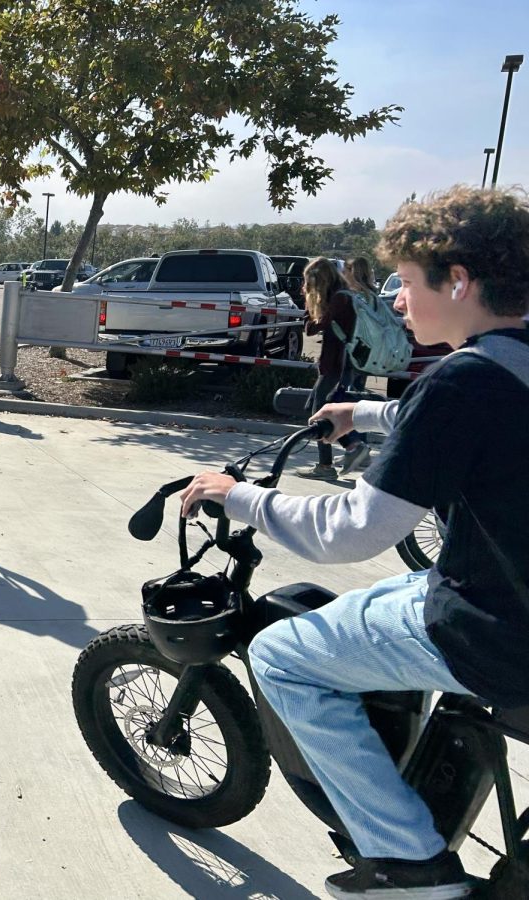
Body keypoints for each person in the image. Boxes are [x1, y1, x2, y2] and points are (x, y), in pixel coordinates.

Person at [179, 185, 529, 899]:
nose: (398, 300)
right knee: (382, 601)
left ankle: (407, 863)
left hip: (499, 631)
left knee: (281, 654)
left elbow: (348, 533)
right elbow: (470, 420)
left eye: (406, 281)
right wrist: (366, 413)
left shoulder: (461, 383)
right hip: (508, 597)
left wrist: (236, 496)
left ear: (457, 281)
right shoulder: (505, 363)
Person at [299, 257, 369, 479]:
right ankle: (348, 451)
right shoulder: (344, 295)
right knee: (322, 409)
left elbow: (312, 327)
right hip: (343, 365)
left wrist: (312, 308)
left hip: (336, 365)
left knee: (319, 415)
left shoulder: (338, 300)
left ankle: (341, 455)